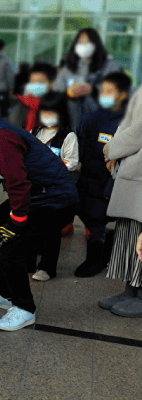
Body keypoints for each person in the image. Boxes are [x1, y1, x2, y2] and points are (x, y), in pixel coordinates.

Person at [0, 86, 77, 331]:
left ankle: (24, 308)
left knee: (8, 244)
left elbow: (17, 183)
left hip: (55, 200)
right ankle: (2, 292)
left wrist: (14, 224)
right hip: (33, 196)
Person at [75, 72, 131, 278]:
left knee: (97, 220)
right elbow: (82, 140)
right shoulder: (95, 115)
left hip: (108, 182)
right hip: (87, 176)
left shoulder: (127, 123)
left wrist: (111, 187)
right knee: (85, 212)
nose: (104, 95)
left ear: (123, 95)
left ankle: (95, 260)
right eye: (103, 91)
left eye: (110, 91)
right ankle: (108, 244)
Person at [99, 84, 142, 317]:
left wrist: (111, 149)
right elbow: (128, 122)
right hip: (132, 167)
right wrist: (114, 151)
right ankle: (130, 290)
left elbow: (138, 131)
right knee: (129, 233)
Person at [29, 91, 79, 281]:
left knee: (50, 229)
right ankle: (28, 262)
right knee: (31, 225)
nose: (48, 117)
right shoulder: (35, 132)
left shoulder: (68, 136)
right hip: (35, 189)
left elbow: (72, 162)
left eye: (52, 113)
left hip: (56, 191)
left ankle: (47, 268)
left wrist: (52, 168)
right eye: (45, 113)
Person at [53, 28, 119, 128]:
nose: (84, 45)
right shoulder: (68, 67)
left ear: (96, 45)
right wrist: (68, 93)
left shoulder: (108, 66)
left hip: (100, 119)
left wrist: (93, 90)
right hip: (70, 120)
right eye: (81, 42)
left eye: (88, 42)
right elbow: (55, 92)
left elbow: (118, 89)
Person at [8, 62, 57, 131]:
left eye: (40, 82)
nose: (36, 85)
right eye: (33, 82)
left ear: (51, 83)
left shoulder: (58, 105)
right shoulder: (21, 103)